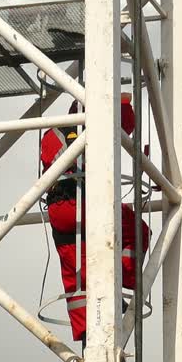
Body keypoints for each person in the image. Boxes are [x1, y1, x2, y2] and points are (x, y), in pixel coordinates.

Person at [40, 93, 150, 347]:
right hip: (85, 203)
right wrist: (120, 104)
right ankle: (118, 283)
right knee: (136, 230)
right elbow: (125, 123)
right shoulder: (98, 126)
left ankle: (86, 333)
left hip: (59, 210)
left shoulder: (52, 133)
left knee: (75, 269)